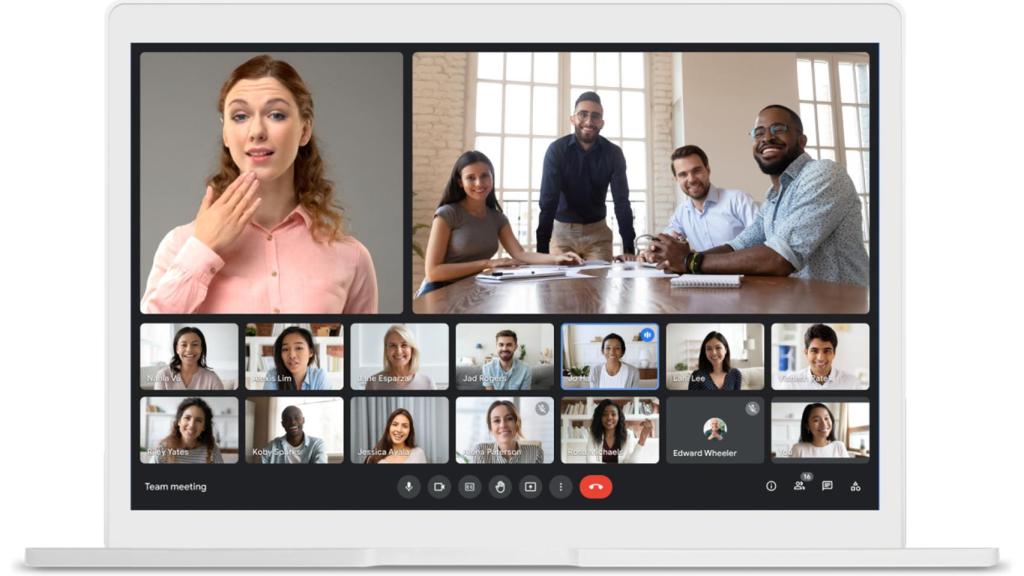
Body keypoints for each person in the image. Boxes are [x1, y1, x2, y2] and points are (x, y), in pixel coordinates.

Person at [141, 55, 378, 314]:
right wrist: (202, 250)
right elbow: (140, 342)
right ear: (225, 134)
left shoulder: (351, 258)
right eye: (240, 116)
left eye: (276, 115)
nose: (256, 131)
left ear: (305, 131)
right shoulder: (180, 245)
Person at [649, 105, 869, 287]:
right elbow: (738, 245)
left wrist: (691, 261)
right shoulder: (773, 195)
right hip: (800, 302)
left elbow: (780, 258)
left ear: (802, 140)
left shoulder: (823, 173)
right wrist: (679, 261)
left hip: (843, 304)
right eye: (759, 133)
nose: (767, 138)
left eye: (778, 129)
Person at [418, 150, 582, 296]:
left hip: (472, 290)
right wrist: (488, 263)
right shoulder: (447, 214)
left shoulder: (497, 218)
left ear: (492, 177)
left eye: (484, 176)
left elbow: (521, 254)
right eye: (471, 178)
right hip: (438, 291)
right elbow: (433, 272)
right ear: (460, 182)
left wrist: (558, 258)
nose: (479, 183)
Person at [536, 91, 636, 262]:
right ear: (573, 118)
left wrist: (628, 248)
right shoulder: (556, 150)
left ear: (602, 123)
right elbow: (548, 201)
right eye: (583, 114)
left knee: (597, 288)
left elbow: (622, 201)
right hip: (562, 235)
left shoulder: (613, 153)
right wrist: (541, 250)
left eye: (595, 116)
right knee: (560, 287)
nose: (589, 121)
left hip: (598, 235)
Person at [654, 145, 758, 252]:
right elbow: (667, 237)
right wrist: (655, 249)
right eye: (683, 175)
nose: (691, 179)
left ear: (708, 170)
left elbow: (762, 239)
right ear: (676, 179)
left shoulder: (738, 200)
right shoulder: (681, 212)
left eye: (696, 171)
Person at [776, 324, 866, 390]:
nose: (820, 358)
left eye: (827, 351)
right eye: (814, 351)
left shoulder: (852, 383)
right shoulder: (790, 383)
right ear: (806, 352)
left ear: (834, 353)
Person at [148, 397, 224, 464]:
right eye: (187, 418)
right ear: (179, 421)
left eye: (198, 420)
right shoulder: (164, 448)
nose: (191, 425)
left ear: (204, 427)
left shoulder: (212, 448)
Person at [364, 325, 435, 390]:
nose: (398, 351)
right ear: (386, 351)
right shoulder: (373, 383)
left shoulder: (427, 383)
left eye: (404, 345)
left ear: (412, 349)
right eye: (393, 345)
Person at [471, 400, 544, 464]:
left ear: (517, 424)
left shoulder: (536, 453)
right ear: (490, 428)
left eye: (509, 419)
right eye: (497, 420)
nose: (503, 425)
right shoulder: (481, 452)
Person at [153, 327, 224, 390]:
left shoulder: (212, 378)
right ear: (177, 349)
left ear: (201, 349)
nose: (189, 350)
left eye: (195, 344)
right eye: (184, 345)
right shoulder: (163, 375)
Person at [585, 399, 653, 463]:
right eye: (604, 414)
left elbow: (632, 463)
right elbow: (590, 462)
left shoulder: (628, 435)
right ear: (599, 418)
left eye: (613, 414)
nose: (609, 417)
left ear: (619, 417)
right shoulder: (593, 435)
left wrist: (642, 439)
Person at [263, 326, 327, 391]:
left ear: (311, 352)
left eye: (299, 348)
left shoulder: (319, 377)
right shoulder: (273, 375)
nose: (292, 355)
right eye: (285, 349)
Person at [259, 406, 327, 464]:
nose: (293, 422)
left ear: (303, 420)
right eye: (287, 419)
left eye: (297, 418)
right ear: (283, 424)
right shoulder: (271, 446)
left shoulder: (317, 444)